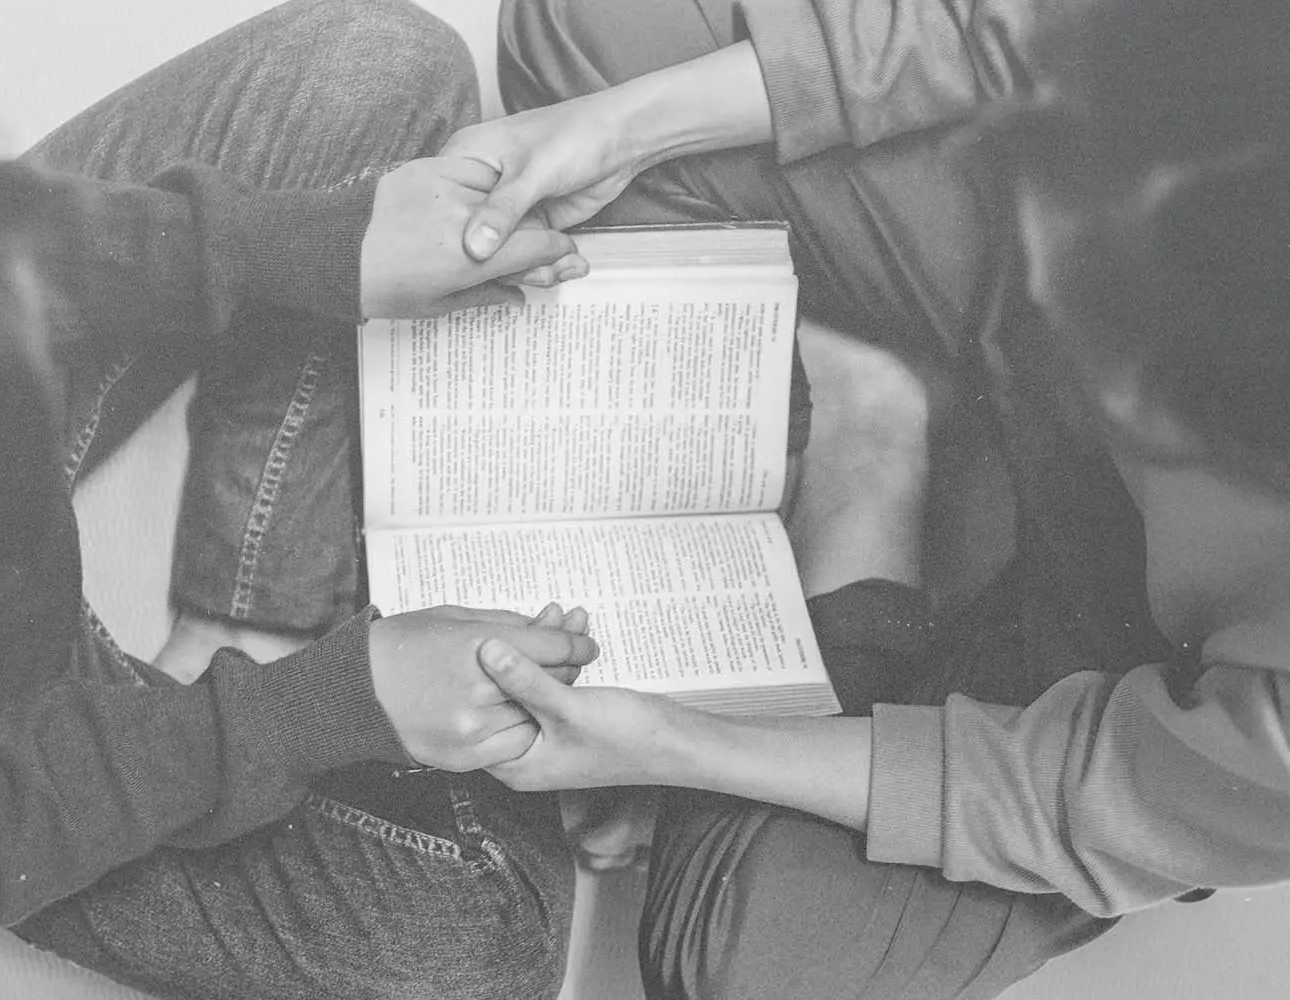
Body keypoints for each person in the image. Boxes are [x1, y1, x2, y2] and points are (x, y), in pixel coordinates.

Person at [442, 0, 1290, 997]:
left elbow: (1071, 795)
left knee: (740, 965)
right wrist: (626, 123)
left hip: (1121, 653)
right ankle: (886, 377)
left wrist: (683, 744)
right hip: (1063, 252)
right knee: (591, 29)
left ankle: (872, 442)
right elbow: (997, 30)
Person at [0, 3, 598, 998]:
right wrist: (300, 714)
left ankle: (241, 616)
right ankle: (244, 653)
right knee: (488, 943)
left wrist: (284, 247)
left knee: (382, 67)